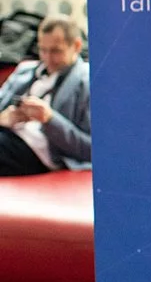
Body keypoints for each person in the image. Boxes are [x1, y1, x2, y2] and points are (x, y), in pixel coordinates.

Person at [0, 15, 91, 175]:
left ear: (76, 46)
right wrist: (3, 118)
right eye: (42, 50)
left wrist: (50, 119)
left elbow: (90, 148)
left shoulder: (87, 82)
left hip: (37, 151)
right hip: (7, 137)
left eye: (56, 51)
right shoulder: (25, 71)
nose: (47, 58)